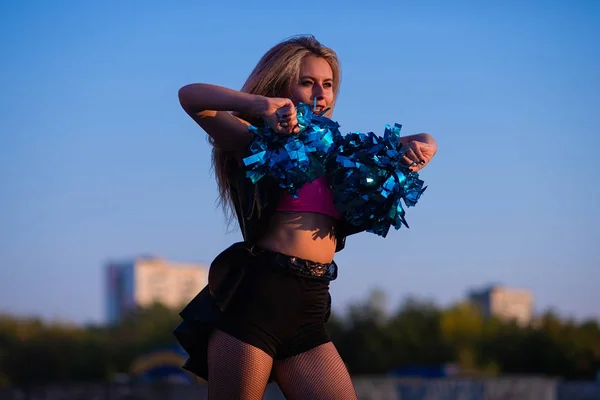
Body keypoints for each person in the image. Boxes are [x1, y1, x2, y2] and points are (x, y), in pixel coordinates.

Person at [174, 35, 438, 400]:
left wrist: (427, 145)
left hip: (310, 309)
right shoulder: (256, 143)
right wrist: (260, 104)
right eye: (307, 82)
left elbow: (419, 138)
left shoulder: (344, 155)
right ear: (284, 86)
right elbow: (190, 97)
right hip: (256, 305)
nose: (320, 93)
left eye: (328, 85)